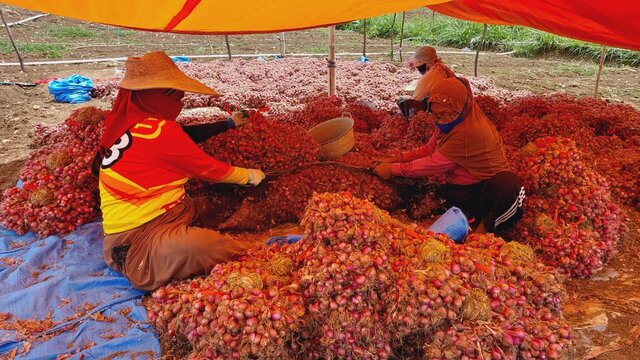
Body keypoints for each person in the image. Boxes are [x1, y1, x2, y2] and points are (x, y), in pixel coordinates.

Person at [98, 51, 266, 291]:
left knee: (220, 204)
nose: (179, 104)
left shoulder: (127, 124)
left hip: (170, 209)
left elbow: (183, 136)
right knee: (204, 246)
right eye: (176, 97)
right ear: (155, 96)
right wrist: (249, 175)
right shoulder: (158, 132)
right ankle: (259, 250)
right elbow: (207, 168)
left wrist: (227, 124)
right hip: (137, 239)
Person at [375, 76, 525, 235]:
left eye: (445, 114)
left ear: (461, 107)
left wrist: (392, 169)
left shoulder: (470, 131)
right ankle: (468, 217)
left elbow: (433, 163)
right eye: (435, 115)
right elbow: (428, 149)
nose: (439, 120)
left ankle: (481, 234)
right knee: (418, 196)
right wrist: (395, 159)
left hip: (486, 191)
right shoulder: (447, 122)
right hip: (463, 188)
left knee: (507, 185)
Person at [397, 46, 456, 117]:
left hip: (451, 115)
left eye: (417, 64)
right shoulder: (441, 68)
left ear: (420, 62)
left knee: (403, 103)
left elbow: (414, 101)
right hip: (457, 106)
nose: (416, 67)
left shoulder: (431, 75)